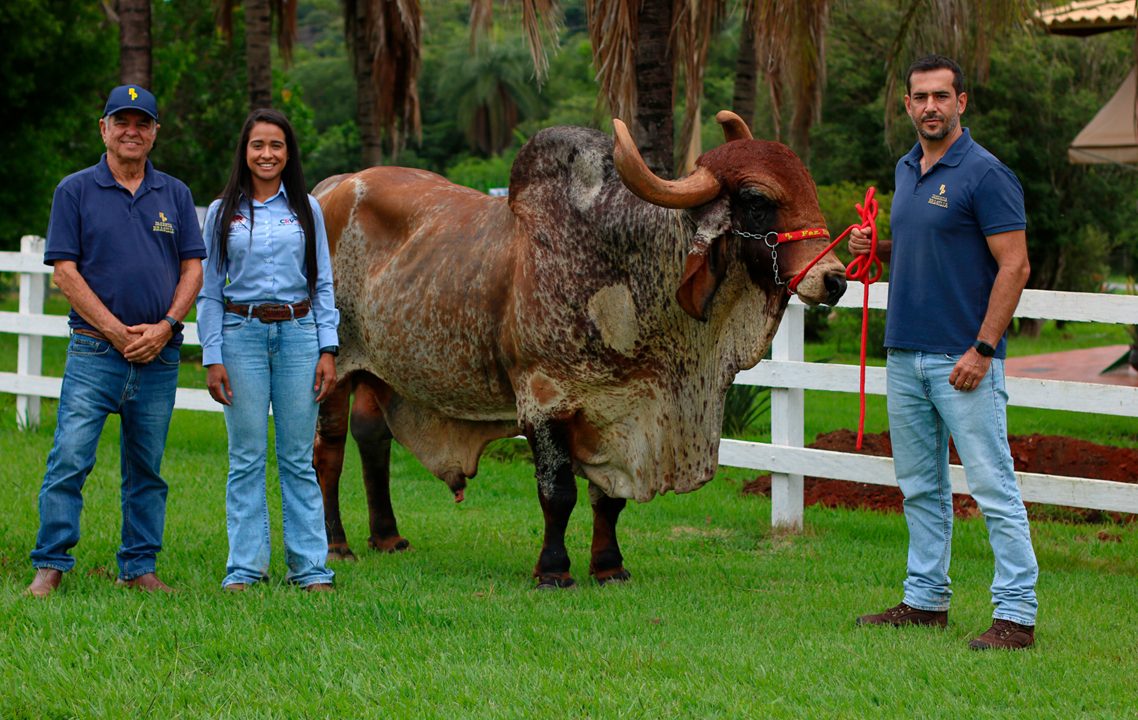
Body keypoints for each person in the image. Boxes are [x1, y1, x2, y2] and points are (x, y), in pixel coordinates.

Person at [851, 55, 1038, 650]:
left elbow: (1016, 264)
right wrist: (873, 247)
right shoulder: (907, 169)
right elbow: (922, 247)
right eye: (920, 97)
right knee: (921, 488)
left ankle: (1016, 615)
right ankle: (925, 601)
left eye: (941, 96)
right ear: (907, 105)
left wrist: (983, 348)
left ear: (962, 103)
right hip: (905, 354)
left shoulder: (986, 174)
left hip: (964, 360)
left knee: (993, 487)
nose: (930, 106)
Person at [27, 85, 206, 597]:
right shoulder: (75, 190)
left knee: (147, 469)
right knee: (70, 459)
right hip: (94, 351)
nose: (132, 131)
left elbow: (192, 268)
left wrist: (167, 326)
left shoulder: (174, 193)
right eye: (121, 121)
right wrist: (113, 329)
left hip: (159, 354)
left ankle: (139, 567)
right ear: (103, 128)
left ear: (154, 133)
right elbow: (65, 271)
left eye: (142, 123)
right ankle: (51, 565)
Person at [196, 108, 339, 593]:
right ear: (245, 151)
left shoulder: (307, 209)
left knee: (299, 457)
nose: (267, 154)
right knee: (246, 456)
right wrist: (212, 354)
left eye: (276, 145)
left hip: (299, 337)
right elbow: (211, 288)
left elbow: (323, 284)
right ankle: (245, 567)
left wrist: (328, 348)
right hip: (242, 336)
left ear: (288, 153)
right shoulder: (222, 212)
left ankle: (310, 568)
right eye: (258, 145)